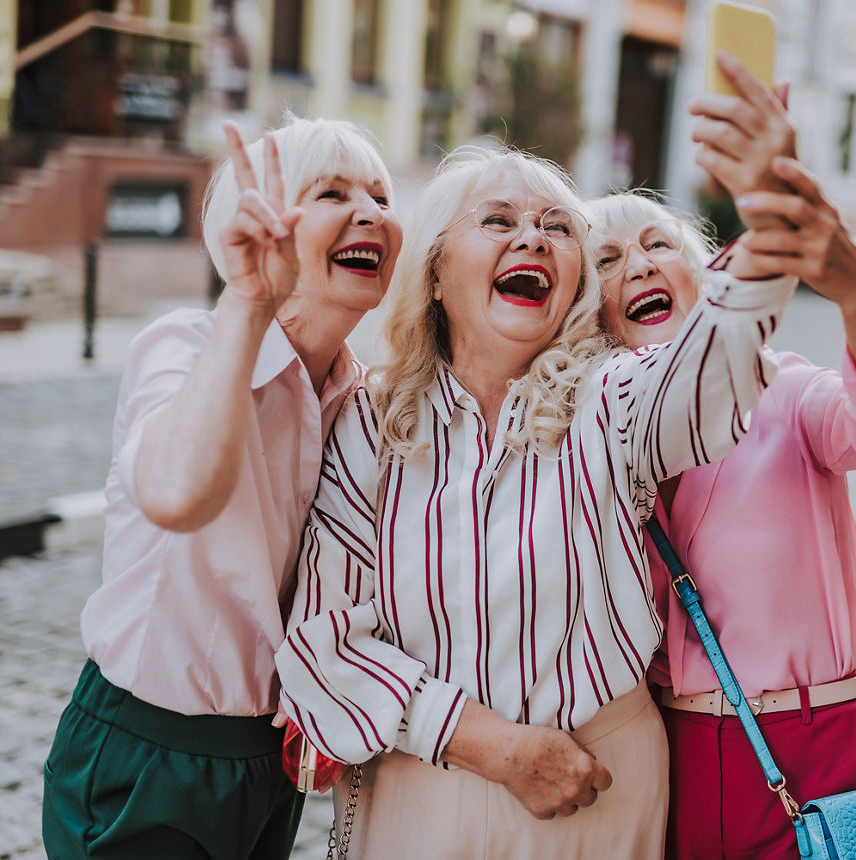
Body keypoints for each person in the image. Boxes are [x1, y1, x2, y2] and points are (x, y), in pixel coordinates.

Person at [274, 141, 804, 858]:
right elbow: (322, 644)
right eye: (499, 220)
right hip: (420, 787)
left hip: (600, 787)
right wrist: (486, 744)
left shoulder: (612, 397)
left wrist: (769, 233)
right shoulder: (374, 421)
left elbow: (712, 372)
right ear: (435, 273)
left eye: (557, 227)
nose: (533, 238)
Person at [584, 55, 856, 859]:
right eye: (606, 259)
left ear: (703, 276)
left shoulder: (785, 393)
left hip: (813, 742)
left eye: (657, 244)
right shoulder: (589, 438)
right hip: (664, 753)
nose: (639, 265)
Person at [41, 116, 402, 859]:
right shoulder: (184, 345)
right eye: (332, 193)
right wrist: (248, 301)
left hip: (267, 766)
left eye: (381, 196)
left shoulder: (362, 400)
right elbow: (174, 495)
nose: (370, 212)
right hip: (149, 754)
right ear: (262, 224)